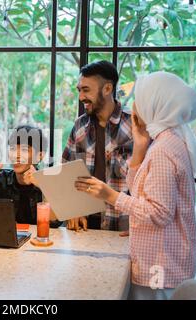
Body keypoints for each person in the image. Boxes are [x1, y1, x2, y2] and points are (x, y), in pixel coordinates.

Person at [75, 71, 196, 299]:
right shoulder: (166, 142)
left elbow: (159, 213)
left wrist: (111, 195)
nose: (135, 106)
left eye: (141, 99)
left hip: (160, 267)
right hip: (159, 262)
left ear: (156, 104)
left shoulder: (163, 151)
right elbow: (143, 193)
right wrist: (140, 147)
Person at [62, 60, 133, 231]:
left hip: (123, 225)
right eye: (79, 90)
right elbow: (66, 174)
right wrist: (73, 210)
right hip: (85, 225)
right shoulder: (79, 126)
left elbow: (147, 184)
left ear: (107, 89)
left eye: (86, 90)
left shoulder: (134, 125)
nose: (80, 97)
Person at [0, 125, 61, 227]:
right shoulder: (2, 180)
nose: (17, 155)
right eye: (13, 149)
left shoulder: (49, 182)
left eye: (24, 150)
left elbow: (53, 223)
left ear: (40, 156)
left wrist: (44, 187)